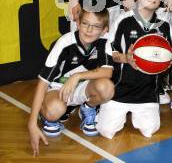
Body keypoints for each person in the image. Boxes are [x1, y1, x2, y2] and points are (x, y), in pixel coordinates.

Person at [28, 9, 114, 156]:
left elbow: (108, 72)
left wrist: (77, 76)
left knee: (107, 87)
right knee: (54, 110)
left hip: (82, 86)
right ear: (78, 23)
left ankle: (88, 108)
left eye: (96, 26)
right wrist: (31, 123)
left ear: (105, 30)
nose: (89, 30)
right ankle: (48, 115)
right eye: (85, 23)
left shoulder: (104, 42)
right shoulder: (65, 43)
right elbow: (42, 82)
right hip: (58, 88)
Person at [96, 0, 172, 139]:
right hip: (120, 90)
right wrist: (126, 58)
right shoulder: (123, 21)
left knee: (150, 130)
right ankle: (100, 108)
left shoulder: (164, 25)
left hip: (147, 93)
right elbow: (109, 55)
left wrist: (167, 64)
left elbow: (168, 59)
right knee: (106, 131)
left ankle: (147, 106)